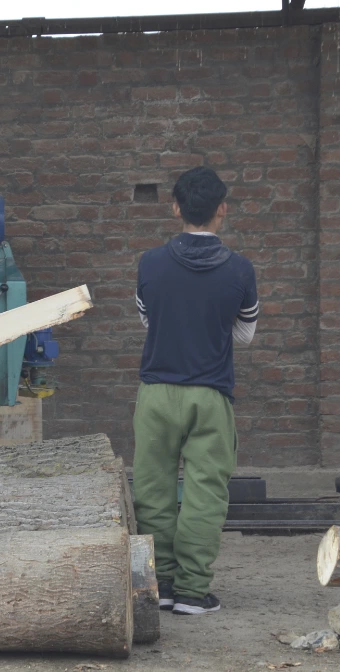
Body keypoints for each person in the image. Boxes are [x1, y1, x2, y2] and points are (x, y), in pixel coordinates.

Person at [132, 166, 259, 615]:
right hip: (210, 394)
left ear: (175, 208)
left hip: (156, 393)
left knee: (152, 489)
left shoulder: (150, 263)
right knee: (206, 493)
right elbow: (245, 335)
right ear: (222, 209)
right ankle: (192, 590)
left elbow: (147, 321)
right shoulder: (240, 270)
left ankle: (161, 584)